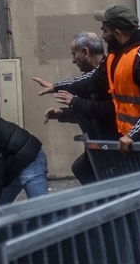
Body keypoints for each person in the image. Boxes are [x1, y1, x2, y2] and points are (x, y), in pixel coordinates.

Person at [33, 5, 140, 155]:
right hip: (136, 141)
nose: (102, 36)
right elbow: (91, 81)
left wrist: (133, 134)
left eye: (105, 30)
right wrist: (56, 87)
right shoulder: (114, 57)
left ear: (117, 33)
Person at [43, 31, 118, 184]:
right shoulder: (89, 79)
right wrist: (61, 114)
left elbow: (107, 110)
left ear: (85, 53)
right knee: (81, 168)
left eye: (73, 54)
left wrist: (71, 100)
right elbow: (85, 109)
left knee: (85, 170)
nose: (72, 60)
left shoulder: (107, 75)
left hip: (114, 143)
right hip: (98, 144)